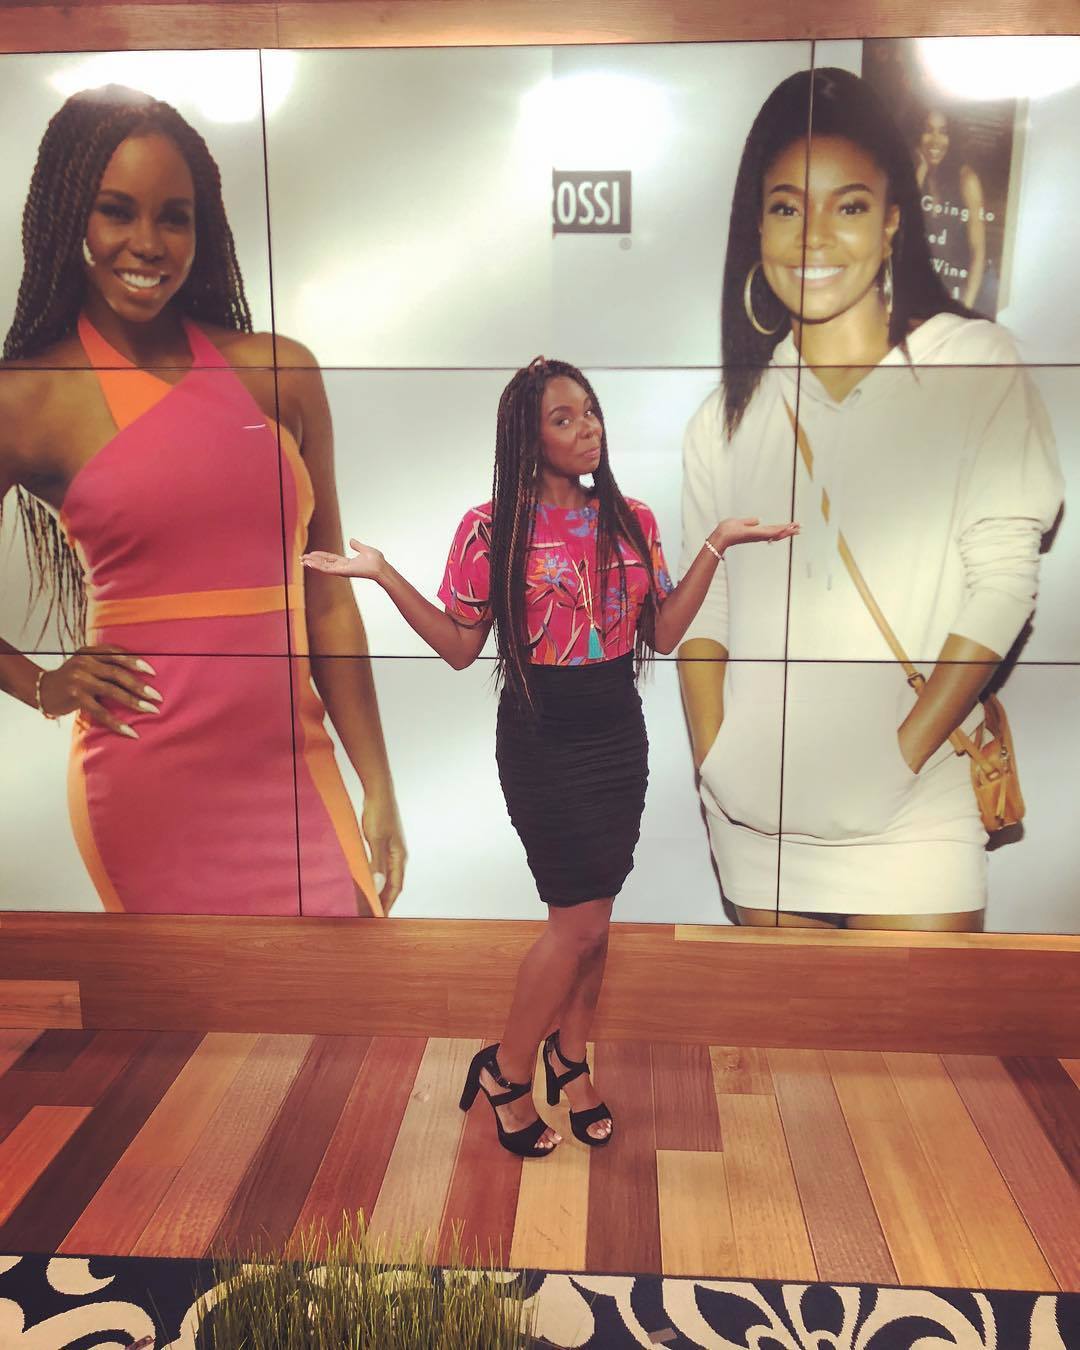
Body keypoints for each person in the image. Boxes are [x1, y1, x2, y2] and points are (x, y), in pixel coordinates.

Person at [303, 357, 795, 1154]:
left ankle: (569, 1060)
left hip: (617, 734)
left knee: (596, 921)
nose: (586, 427)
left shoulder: (631, 518)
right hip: (543, 738)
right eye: (563, 418)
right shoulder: (490, 527)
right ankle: (508, 1070)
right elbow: (460, 646)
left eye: (590, 411)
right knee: (576, 924)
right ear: (528, 441)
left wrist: (719, 543)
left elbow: (665, 633)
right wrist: (383, 575)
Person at [0, 85, 405, 916]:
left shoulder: (280, 374)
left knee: (347, 985)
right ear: (71, 217)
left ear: (202, 228)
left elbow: (328, 600)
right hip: (147, 779)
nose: (147, 243)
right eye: (117, 211)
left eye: (174, 217)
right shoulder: (28, 399)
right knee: (199, 1007)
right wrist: (40, 685)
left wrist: (378, 783)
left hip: (296, 766)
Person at [678, 68, 1063, 932]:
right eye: (786, 207)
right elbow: (708, 609)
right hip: (758, 822)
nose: (814, 235)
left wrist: (899, 759)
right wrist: (715, 761)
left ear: (892, 219)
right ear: (756, 226)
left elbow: (1003, 583)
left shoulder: (971, 363)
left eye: (848, 205)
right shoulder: (725, 419)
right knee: (776, 1034)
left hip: (914, 812)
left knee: (917, 1030)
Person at [913, 105, 991, 313]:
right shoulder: (916, 175)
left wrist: (964, 308)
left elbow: (978, 252)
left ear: (953, 138)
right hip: (924, 291)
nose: (935, 140)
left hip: (965, 292)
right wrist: (920, 171)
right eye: (928, 130)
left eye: (943, 132)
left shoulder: (966, 180)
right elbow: (902, 233)